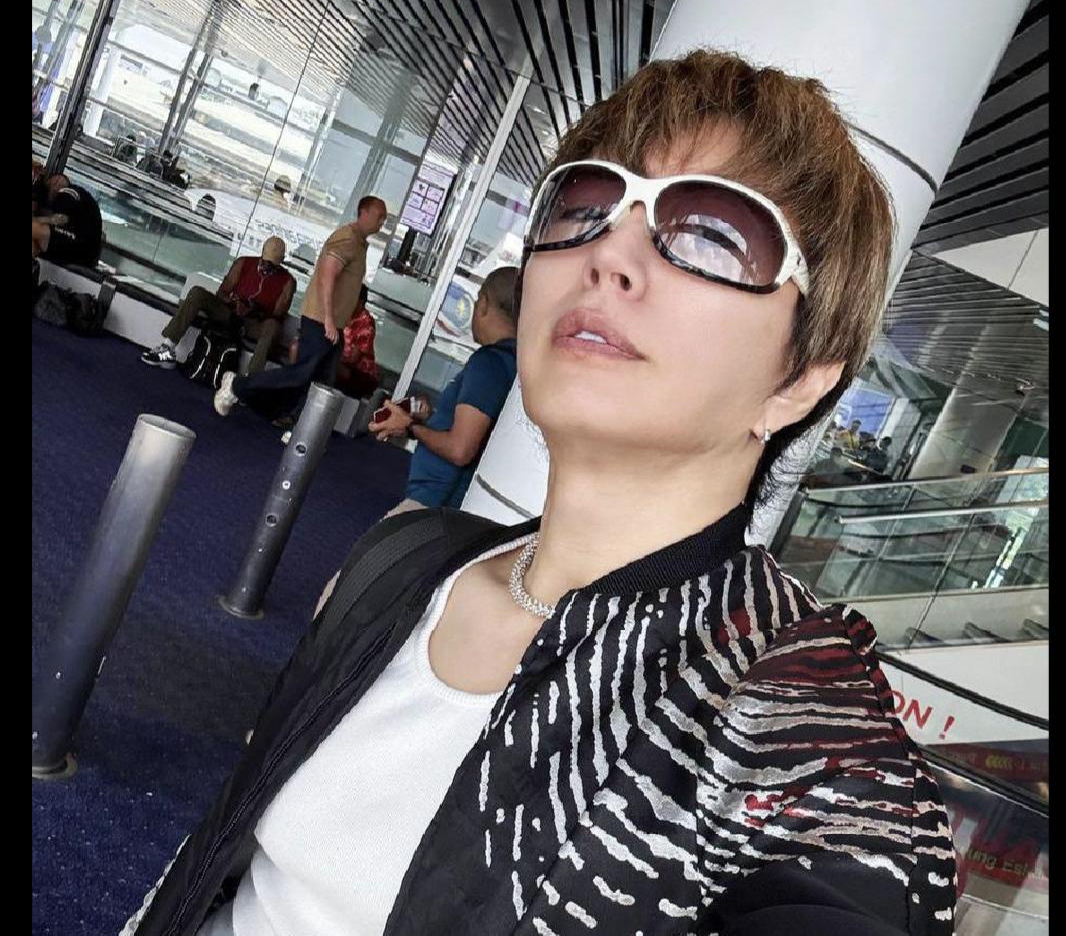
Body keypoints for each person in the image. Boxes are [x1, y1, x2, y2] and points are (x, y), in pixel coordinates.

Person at [121, 52, 957, 936]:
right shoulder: (404, 560)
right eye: (583, 207)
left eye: (713, 234)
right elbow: (224, 860)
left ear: (800, 381)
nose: (609, 254)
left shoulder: (807, 749)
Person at [213, 196, 388, 423]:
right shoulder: (347, 238)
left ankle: (290, 419)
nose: (382, 222)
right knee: (301, 373)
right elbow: (327, 274)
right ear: (363, 212)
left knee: (321, 379)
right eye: (379, 216)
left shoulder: (360, 243)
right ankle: (238, 385)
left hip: (334, 324)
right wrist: (328, 318)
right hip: (322, 321)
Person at [368, 267, 519, 514]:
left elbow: (460, 450)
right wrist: (431, 419)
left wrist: (409, 426)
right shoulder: (517, 364)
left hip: (435, 503)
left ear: (483, 304)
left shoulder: (490, 363)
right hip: (458, 505)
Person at [140, 237, 295, 375]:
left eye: (273, 264)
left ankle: (250, 379)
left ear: (281, 261)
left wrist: (253, 311)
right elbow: (222, 292)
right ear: (262, 253)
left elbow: (277, 315)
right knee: (197, 293)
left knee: (272, 327)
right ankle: (168, 347)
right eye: (266, 261)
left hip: (254, 323)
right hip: (229, 312)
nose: (267, 267)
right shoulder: (244, 263)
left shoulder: (288, 281)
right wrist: (235, 302)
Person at [32, 166, 103, 266]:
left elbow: (60, 219)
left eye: (48, 185)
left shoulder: (68, 192)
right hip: (82, 251)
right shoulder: (79, 201)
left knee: (35, 228)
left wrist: (37, 219)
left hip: (80, 247)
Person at [337, 284, 381, 399]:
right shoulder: (343, 313)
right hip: (342, 363)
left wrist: (332, 357)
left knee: (332, 366)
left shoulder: (366, 323)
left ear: (360, 302)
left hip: (361, 372)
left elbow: (353, 358)